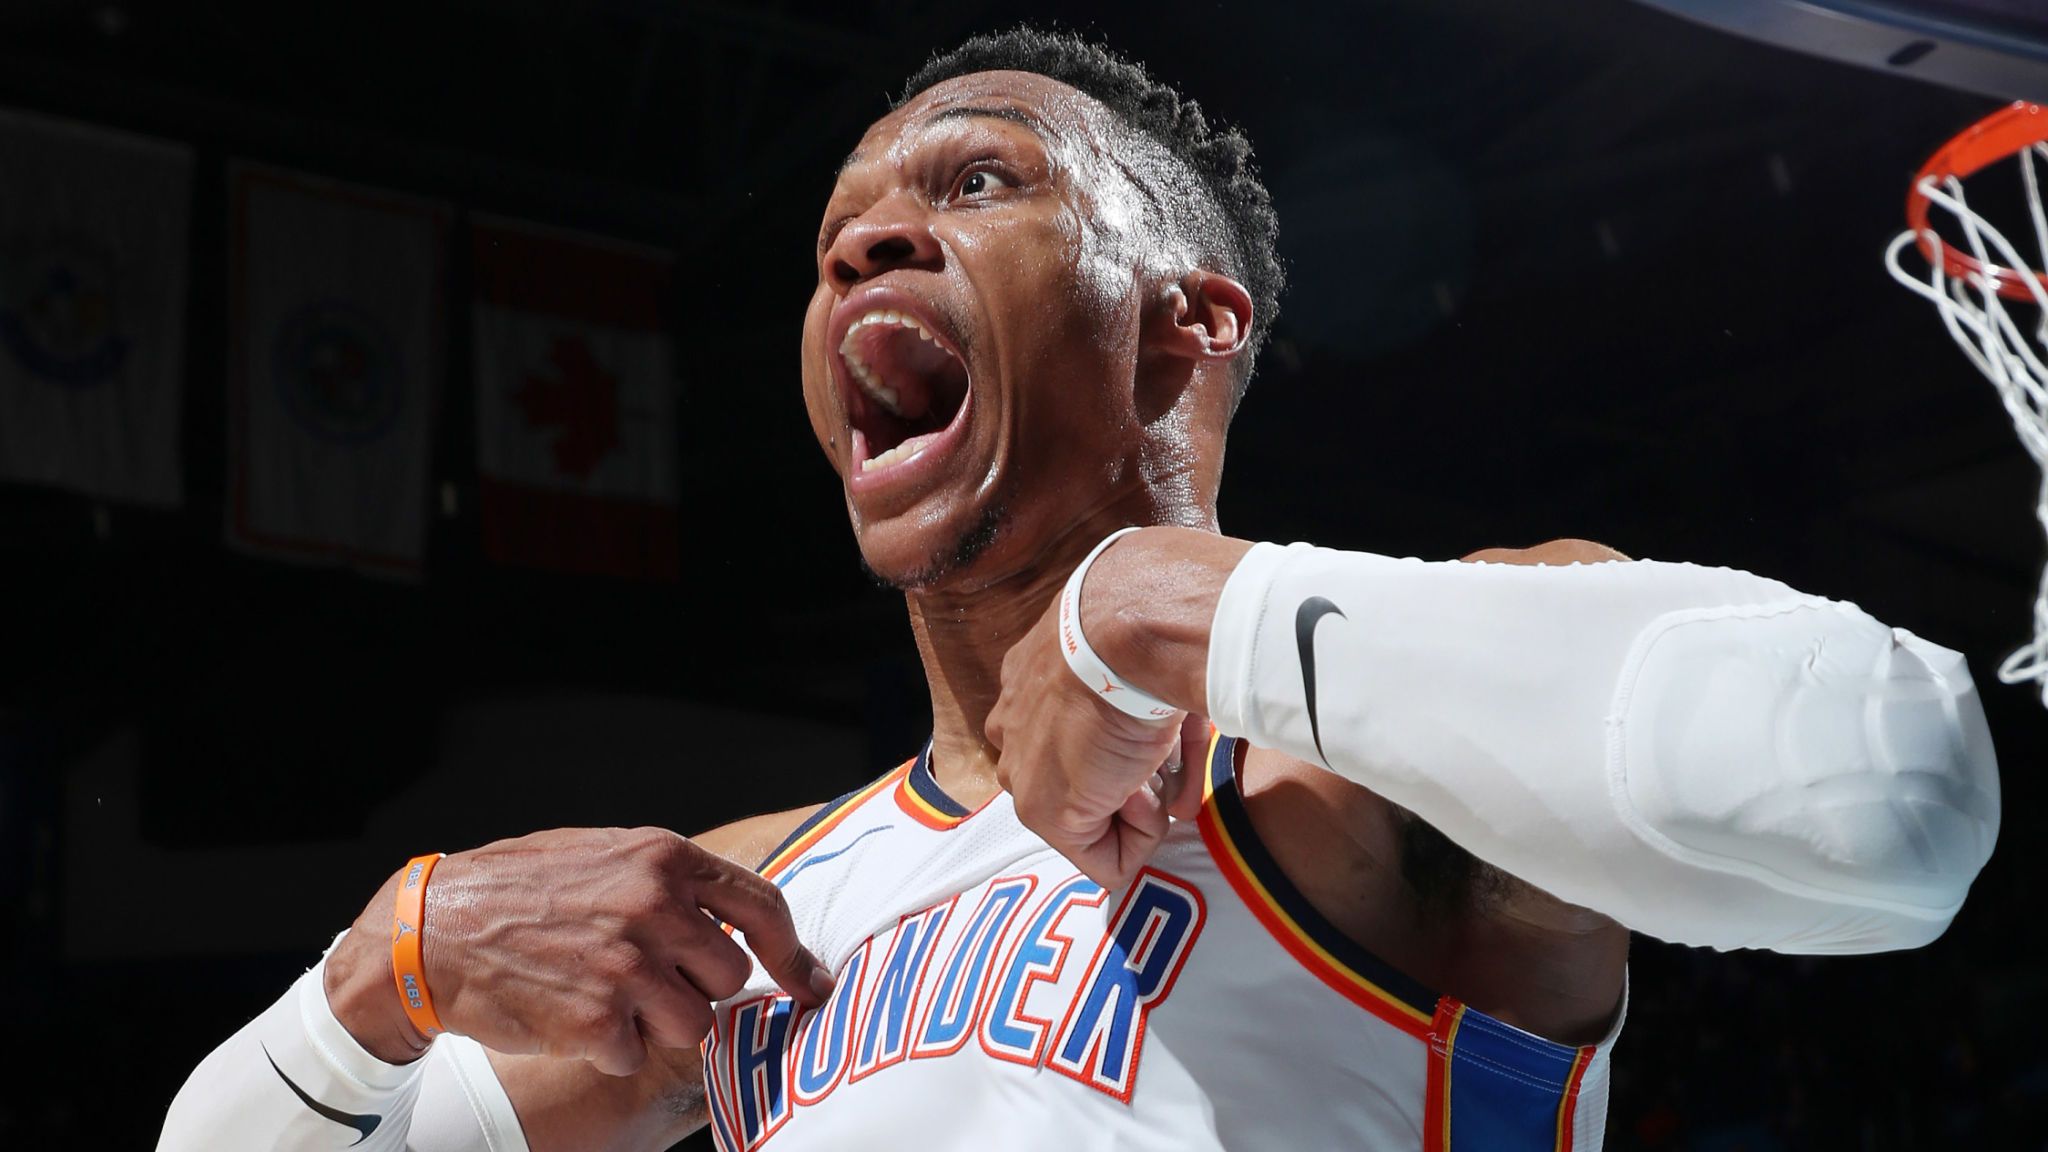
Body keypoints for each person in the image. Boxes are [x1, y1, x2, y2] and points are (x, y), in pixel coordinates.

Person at [159, 27, 2001, 1152]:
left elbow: (1899, 805)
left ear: (1186, 325)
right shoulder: (755, 909)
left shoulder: (1371, 752)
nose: (868, 242)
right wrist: (385, 972)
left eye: (979, 182)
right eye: (835, 240)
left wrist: (1158, 608)